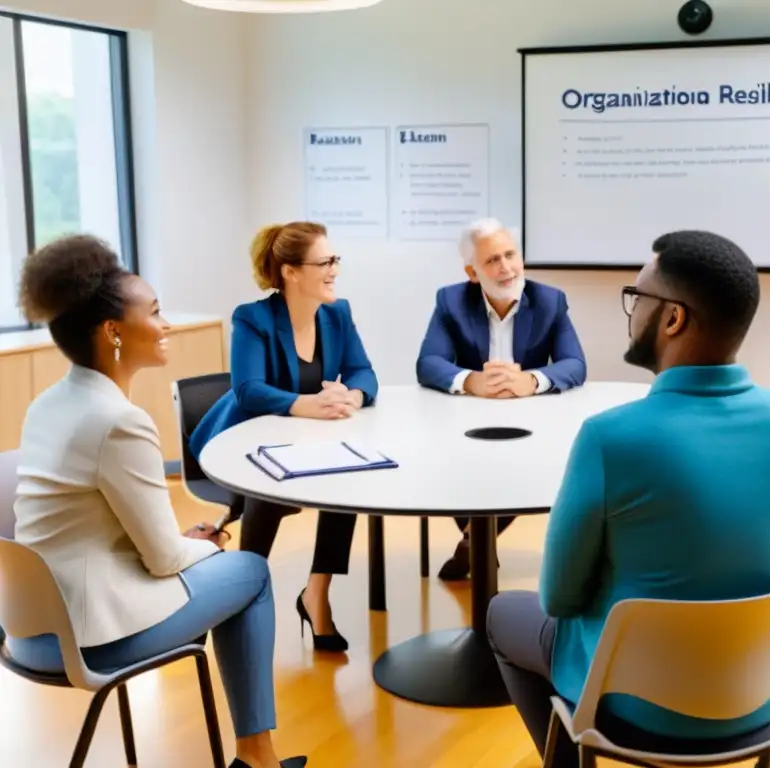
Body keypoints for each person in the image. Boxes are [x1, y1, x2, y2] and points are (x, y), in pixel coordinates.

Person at [486, 230, 770, 766]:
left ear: (673, 318)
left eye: (638, 297)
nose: (632, 311)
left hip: (639, 705)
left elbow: (558, 599)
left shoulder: (612, 437)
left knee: (503, 611)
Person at [7, 236, 303, 768]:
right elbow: (163, 560)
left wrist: (183, 546)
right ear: (113, 332)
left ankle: (257, 757)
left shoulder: (48, 403)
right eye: (157, 312)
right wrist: (200, 549)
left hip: (28, 630)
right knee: (252, 572)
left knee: (214, 561)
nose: (166, 324)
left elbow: (106, 531)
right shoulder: (119, 422)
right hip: (91, 640)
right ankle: (257, 757)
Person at [190, 222, 378, 653]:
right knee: (267, 493)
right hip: (238, 448)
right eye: (325, 262)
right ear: (291, 272)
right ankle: (238, 599)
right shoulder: (253, 319)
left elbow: (365, 372)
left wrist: (349, 394)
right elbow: (248, 389)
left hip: (303, 446)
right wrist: (306, 403)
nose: (334, 270)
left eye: (335, 260)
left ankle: (317, 593)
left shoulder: (337, 313)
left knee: (347, 479)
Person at [416, 217, 587, 580]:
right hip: (467, 423)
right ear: (473, 272)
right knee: (455, 466)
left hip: (532, 424)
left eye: (511, 255)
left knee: (526, 471)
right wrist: (471, 381)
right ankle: (476, 541)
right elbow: (428, 363)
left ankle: (472, 542)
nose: (506, 267)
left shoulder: (549, 301)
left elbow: (575, 364)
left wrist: (532, 380)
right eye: (492, 260)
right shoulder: (451, 301)